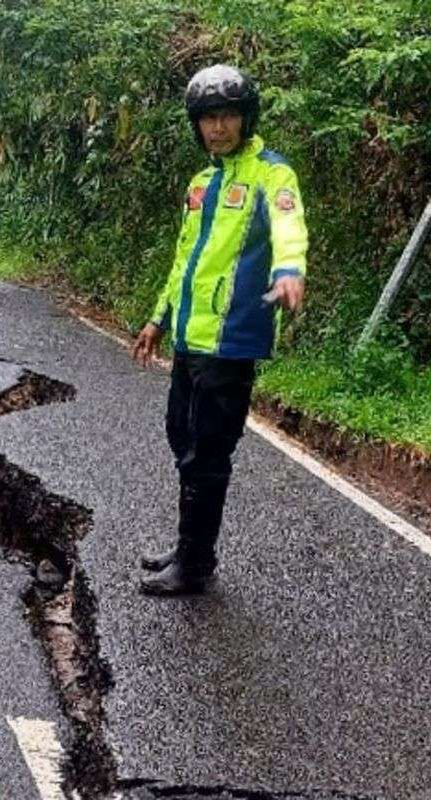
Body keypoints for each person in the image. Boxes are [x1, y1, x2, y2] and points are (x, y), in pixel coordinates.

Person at [131, 64, 309, 596]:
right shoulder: (202, 183)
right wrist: (158, 318)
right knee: (180, 437)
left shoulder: (271, 175)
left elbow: (288, 224)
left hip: (231, 342)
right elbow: (185, 260)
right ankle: (189, 545)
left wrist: (289, 269)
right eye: (208, 118)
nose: (218, 127)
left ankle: (196, 562)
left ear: (246, 118)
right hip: (190, 336)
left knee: (208, 452)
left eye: (228, 114)